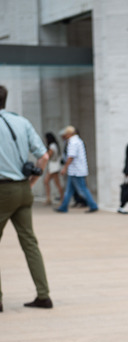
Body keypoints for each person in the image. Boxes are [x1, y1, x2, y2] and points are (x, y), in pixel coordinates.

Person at [0, 85, 53, 312]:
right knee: (30, 243)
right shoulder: (21, 121)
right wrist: (31, 183)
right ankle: (43, 295)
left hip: (2, 190)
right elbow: (43, 156)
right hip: (23, 189)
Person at [55, 125, 98, 213]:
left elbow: (71, 157)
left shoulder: (73, 142)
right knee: (69, 190)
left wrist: (64, 168)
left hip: (76, 171)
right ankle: (63, 207)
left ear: (69, 134)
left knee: (82, 189)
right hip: (75, 170)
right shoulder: (77, 141)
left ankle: (93, 205)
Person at [44, 132, 63, 205]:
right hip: (53, 165)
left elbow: (48, 155)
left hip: (53, 166)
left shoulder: (52, 146)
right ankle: (48, 198)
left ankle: (61, 198)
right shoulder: (55, 145)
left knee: (56, 183)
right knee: (46, 181)